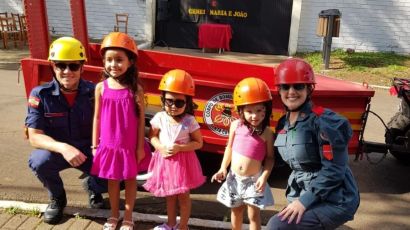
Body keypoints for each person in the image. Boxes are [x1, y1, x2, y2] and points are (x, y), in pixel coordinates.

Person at [266, 58, 360, 229]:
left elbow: (334, 170)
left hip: (334, 197)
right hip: (302, 193)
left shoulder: (324, 122)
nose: (291, 91)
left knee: (277, 226)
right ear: (279, 90)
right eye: (285, 87)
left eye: (298, 86)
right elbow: (281, 160)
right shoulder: (283, 124)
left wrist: (304, 201)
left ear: (309, 88)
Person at [26, 37, 105, 224]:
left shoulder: (95, 93)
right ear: (53, 66)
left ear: (82, 67)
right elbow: (34, 137)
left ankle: (93, 186)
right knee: (39, 161)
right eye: (61, 66)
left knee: (119, 171)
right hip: (59, 152)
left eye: (73, 66)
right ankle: (57, 198)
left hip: (89, 150)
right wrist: (63, 148)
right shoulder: (40, 95)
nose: (67, 72)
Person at [90, 32, 145, 230]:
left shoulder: (135, 89)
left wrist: (140, 148)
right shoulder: (100, 88)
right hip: (108, 146)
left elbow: (140, 122)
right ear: (103, 62)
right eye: (109, 60)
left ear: (130, 61)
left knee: (130, 181)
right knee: (112, 182)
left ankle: (128, 217)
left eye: (119, 60)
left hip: (129, 146)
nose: (114, 64)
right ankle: (113, 216)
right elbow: (96, 117)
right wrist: (95, 144)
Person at [143, 69, 206, 230]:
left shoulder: (190, 120)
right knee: (169, 195)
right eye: (169, 101)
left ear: (187, 103)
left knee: (183, 197)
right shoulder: (159, 118)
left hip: (183, 163)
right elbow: (153, 137)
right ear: (163, 99)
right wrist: (160, 147)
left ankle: (183, 226)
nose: (173, 106)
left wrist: (180, 148)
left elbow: (199, 143)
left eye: (179, 103)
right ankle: (170, 224)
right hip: (165, 161)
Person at [211, 77, 275, 230]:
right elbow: (230, 148)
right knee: (236, 212)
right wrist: (222, 168)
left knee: (253, 215)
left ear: (266, 109)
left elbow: (270, 158)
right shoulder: (235, 126)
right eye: (249, 111)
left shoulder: (267, 133)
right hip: (234, 179)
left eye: (259, 110)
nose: (255, 116)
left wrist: (264, 177)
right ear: (240, 111)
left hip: (254, 181)